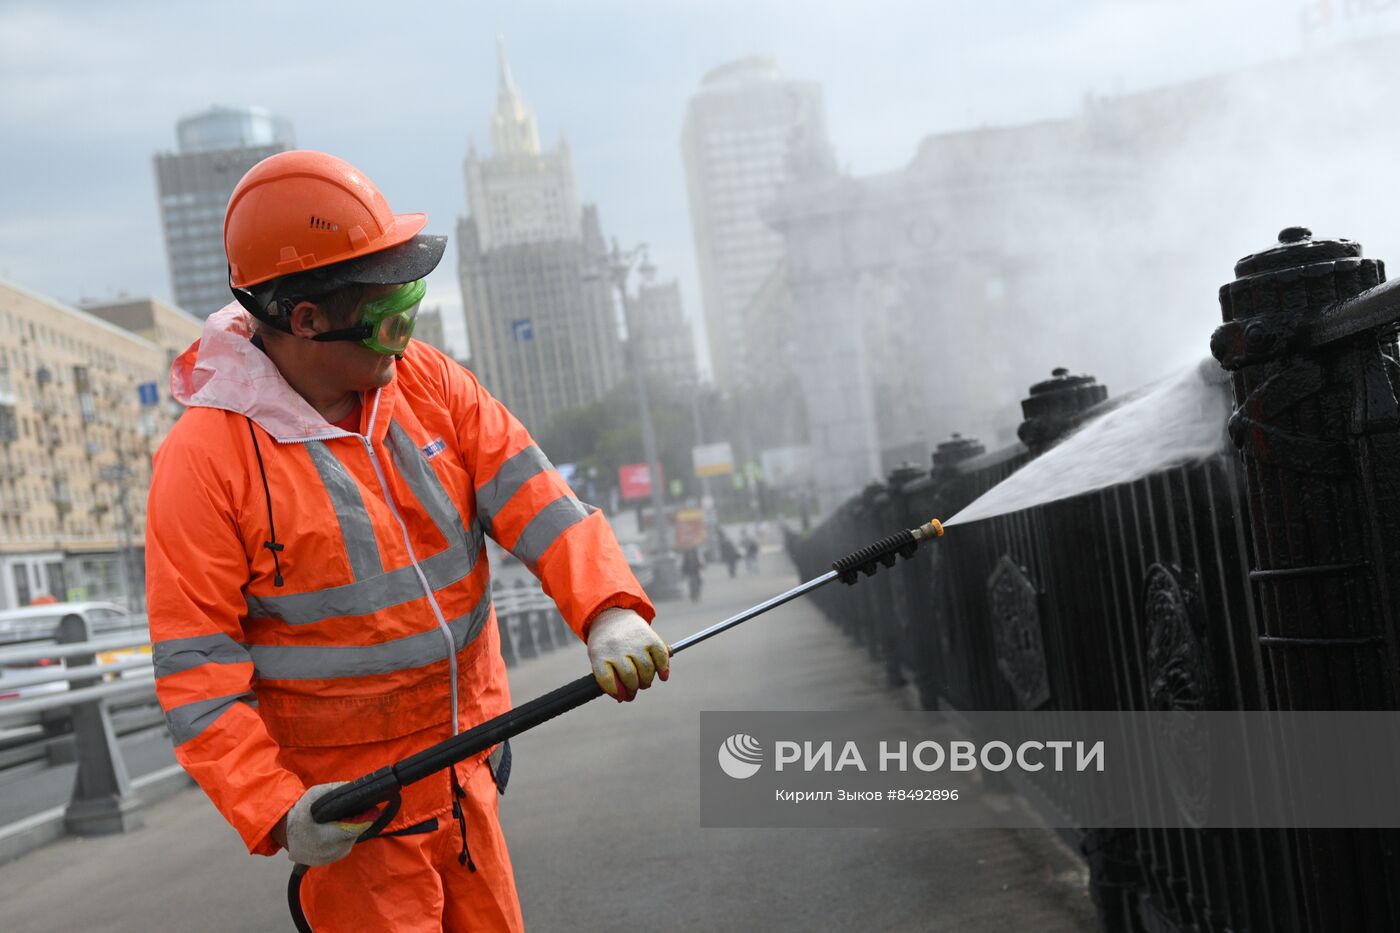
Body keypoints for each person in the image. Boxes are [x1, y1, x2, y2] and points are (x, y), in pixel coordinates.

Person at [145, 150, 670, 933]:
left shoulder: (429, 383)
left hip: (468, 781)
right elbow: (198, 677)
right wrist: (279, 811)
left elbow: (539, 503)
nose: (404, 339)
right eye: (391, 313)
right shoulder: (205, 460)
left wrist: (608, 609)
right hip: (355, 825)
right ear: (307, 319)